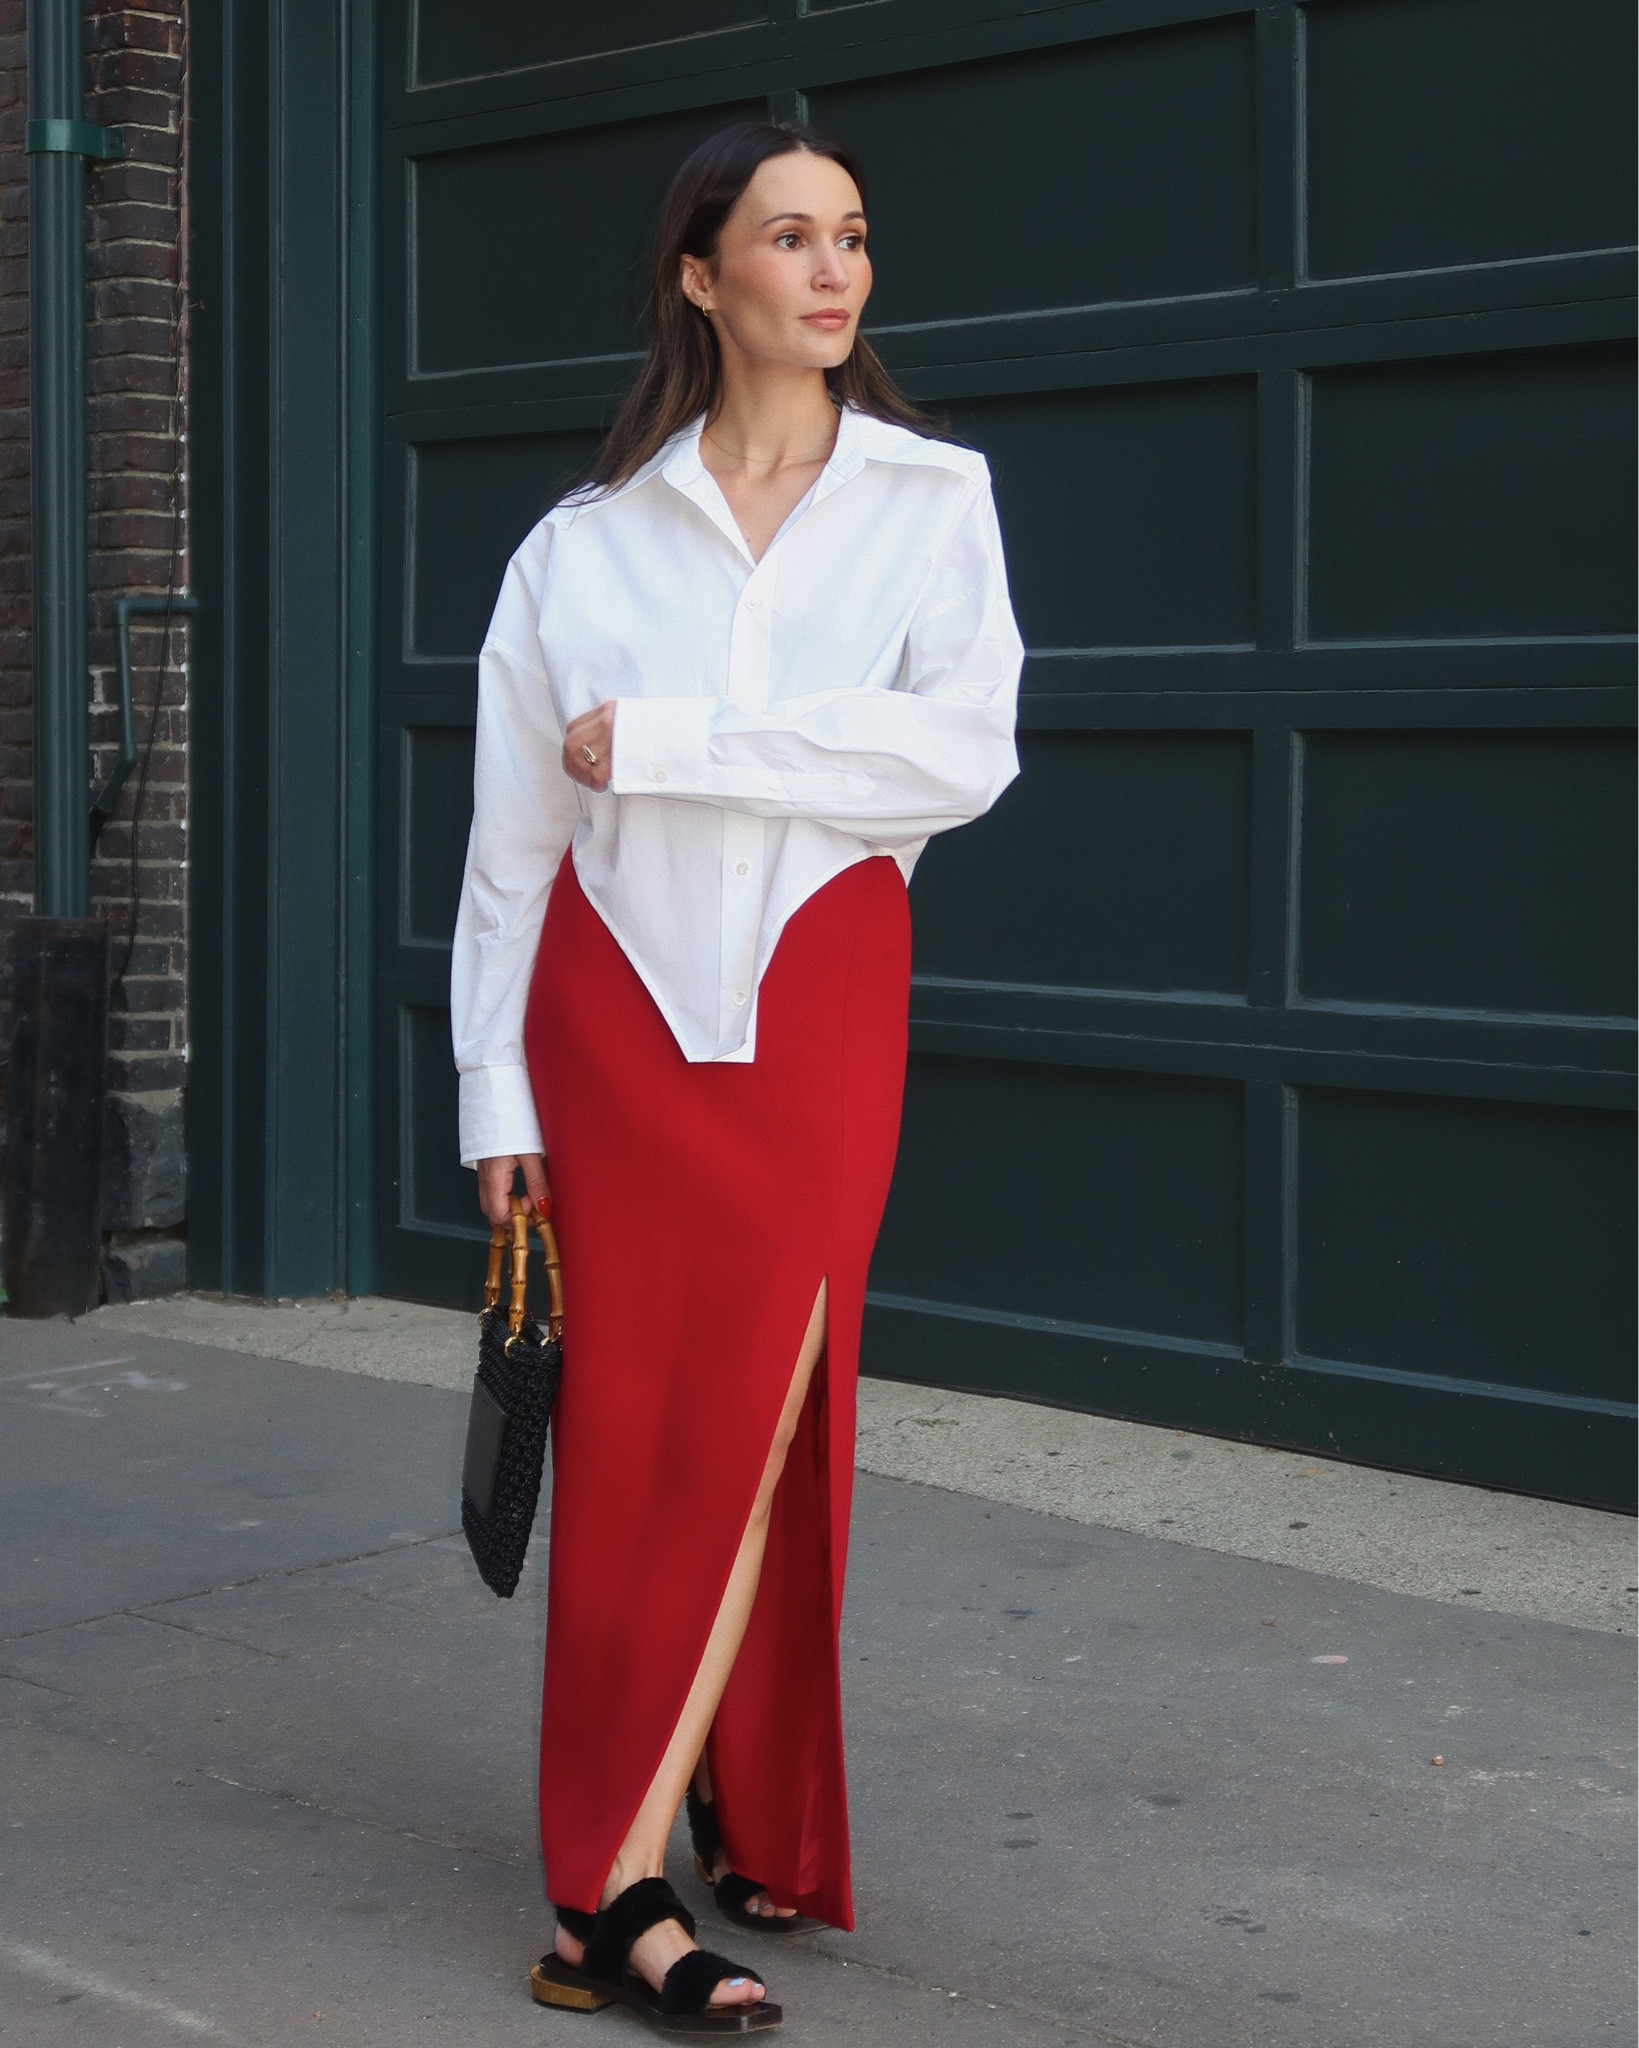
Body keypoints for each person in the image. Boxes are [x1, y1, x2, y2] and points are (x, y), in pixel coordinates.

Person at [449, 118, 1023, 2035]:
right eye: (791, 237)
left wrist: (685, 739)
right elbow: (513, 853)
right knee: (630, 1430)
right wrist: (494, 1101)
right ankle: (605, 1890)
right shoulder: (580, 548)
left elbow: (959, 760)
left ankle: (728, 1786)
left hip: (820, 998)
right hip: (608, 1023)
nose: (835, 269)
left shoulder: (934, 502)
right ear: (705, 279)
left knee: (770, 1410)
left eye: (854, 232)